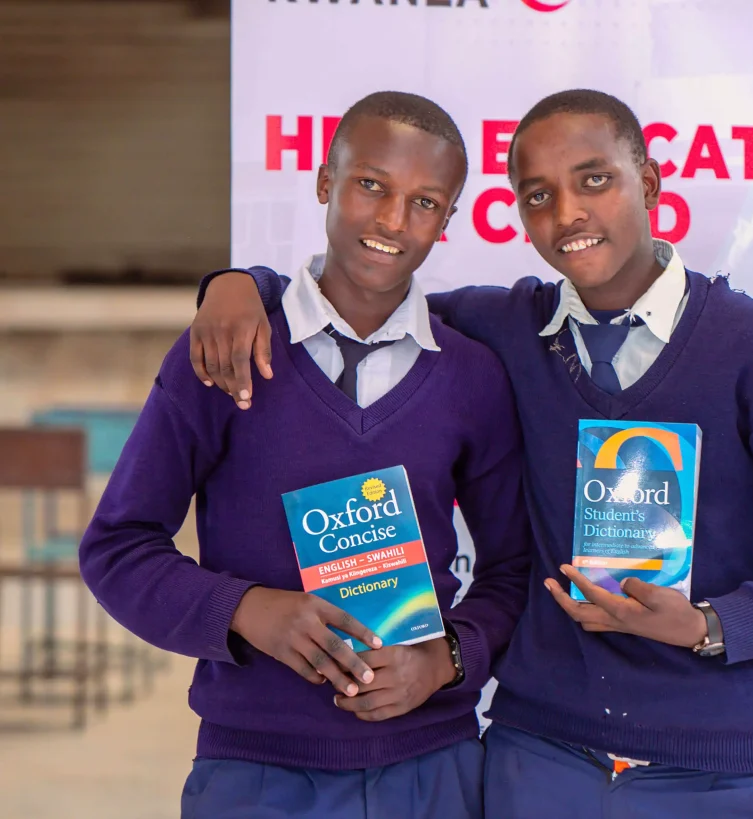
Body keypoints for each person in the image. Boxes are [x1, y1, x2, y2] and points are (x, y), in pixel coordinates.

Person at [187, 89, 753, 818]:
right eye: (538, 196)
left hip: (717, 769)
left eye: (595, 179)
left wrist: (710, 624)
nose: (567, 215)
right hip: (539, 759)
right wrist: (242, 286)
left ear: (650, 183)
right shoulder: (504, 329)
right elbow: (362, 288)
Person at [79, 91, 532, 819]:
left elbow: (513, 570)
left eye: (424, 202)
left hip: (434, 767)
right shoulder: (224, 353)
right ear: (326, 181)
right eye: (370, 185)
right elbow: (117, 548)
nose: (391, 221)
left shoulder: (472, 375)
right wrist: (247, 608)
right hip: (255, 771)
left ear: (449, 222)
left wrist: (447, 660)